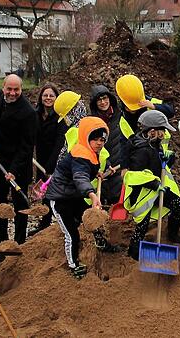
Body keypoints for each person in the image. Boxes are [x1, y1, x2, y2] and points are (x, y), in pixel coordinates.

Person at [45, 117, 109, 278]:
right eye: (95, 139)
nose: (99, 143)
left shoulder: (90, 151)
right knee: (71, 234)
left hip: (73, 196)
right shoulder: (80, 154)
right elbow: (80, 177)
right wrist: (92, 195)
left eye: (102, 139)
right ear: (87, 138)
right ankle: (73, 265)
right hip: (60, 199)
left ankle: (100, 242)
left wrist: (97, 173)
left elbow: (88, 169)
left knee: (92, 219)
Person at [0, 74, 38, 247]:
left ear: (21, 89)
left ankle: (20, 240)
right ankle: (0, 236)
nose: (12, 93)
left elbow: (27, 146)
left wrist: (13, 170)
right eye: (9, 89)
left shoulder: (28, 112)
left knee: (20, 203)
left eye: (16, 89)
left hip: (18, 164)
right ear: (3, 87)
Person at [123, 110, 180, 260]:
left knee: (178, 205)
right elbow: (133, 176)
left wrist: (168, 159)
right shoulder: (140, 151)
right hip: (142, 193)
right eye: (162, 131)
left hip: (157, 187)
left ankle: (172, 234)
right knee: (142, 224)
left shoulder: (152, 142)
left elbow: (158, 163)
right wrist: (154, 184)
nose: (165, 134)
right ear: (152, 132)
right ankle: (133, 252)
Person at [115, 74, 175, 169]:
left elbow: (171, 111)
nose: (135, 109)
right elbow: (124, 145)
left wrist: (154, 106)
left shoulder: (151, 104)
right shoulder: (124, 120)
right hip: (140, 161)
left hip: (160, 156)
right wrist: (124, 167)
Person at [32, 84, 67, 232]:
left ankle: (60, 223)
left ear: (56, 98)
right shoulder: (36, 115)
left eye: (51, 95)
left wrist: (51, 165)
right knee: (43, 192)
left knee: (55, 193)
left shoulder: (60, 117)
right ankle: (45, 223)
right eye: (45, 95)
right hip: (40, 158)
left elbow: (60, 142)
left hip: (54, 159)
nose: (48, 98)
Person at [89, 84, 124, 205]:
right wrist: (106, 164)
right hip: (102, 168)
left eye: (105, 98)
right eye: (99, 100)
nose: (103, 102)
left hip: (119, 165)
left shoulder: (121, 115)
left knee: (118, 197)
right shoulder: (92, 121)